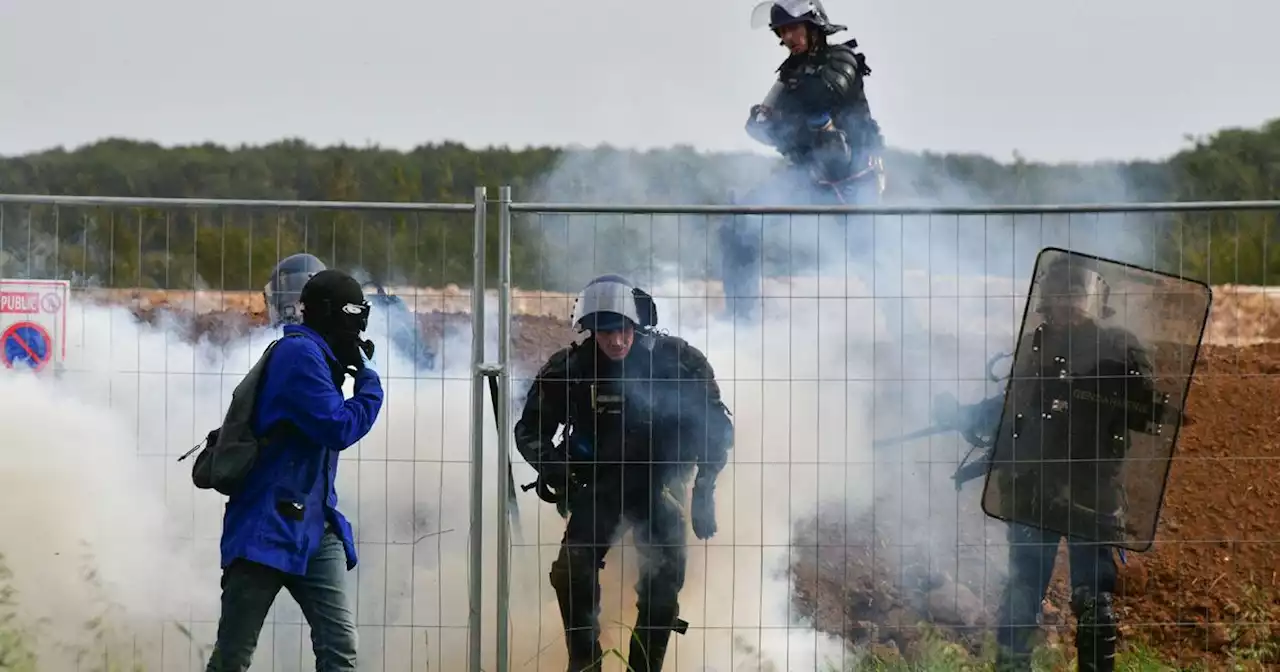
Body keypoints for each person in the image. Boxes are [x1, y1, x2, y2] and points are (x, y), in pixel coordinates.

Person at [513, 274, 734, 672]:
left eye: (623, 330)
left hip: (659, 487)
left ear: (638, 325)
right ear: (590, 331)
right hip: (600, 488)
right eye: (605, 332)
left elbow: (716, 428)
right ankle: (585, 663)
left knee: (664, 586)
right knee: (572, 573)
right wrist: (554, 469)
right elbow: (529, 430)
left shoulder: (676, 361)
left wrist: (704, 488)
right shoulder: (571, 368)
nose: (616, 341)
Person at [957, 254, 1162, 672]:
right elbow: (1014, 404)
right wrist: (970, 414)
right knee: (1022, 589)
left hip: (1091, 487)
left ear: (1093, 301)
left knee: (1095, 600)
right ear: (1046, 300)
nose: (1067, 304)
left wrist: (1116, 388)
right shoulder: (1035, 348)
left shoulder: (1118, 346)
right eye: (1059, 295)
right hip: (1034, 485)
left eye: (1075, 295)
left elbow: (1144, 409)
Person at [205, 262, 384, 672]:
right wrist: (369, 384)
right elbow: (337, 426)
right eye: (350, 321)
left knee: (339, 650)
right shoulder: (299, 355)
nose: (356, 335)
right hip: (266, 526)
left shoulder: (317, 356)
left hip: (314, 527)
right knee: (233, 656)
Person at [719, 0, 886, 322]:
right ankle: (742, 321)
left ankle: (912, 337)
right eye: (782, 31)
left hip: (853, 180)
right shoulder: (791, 72)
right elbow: (763, 128)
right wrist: (767, 120)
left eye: (793, 28)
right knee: (739, 225)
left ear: (813, 27)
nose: (787, 37)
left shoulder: (841, 58)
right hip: (810, 177)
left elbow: (824, 96)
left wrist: (785, 115)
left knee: (875, 262)